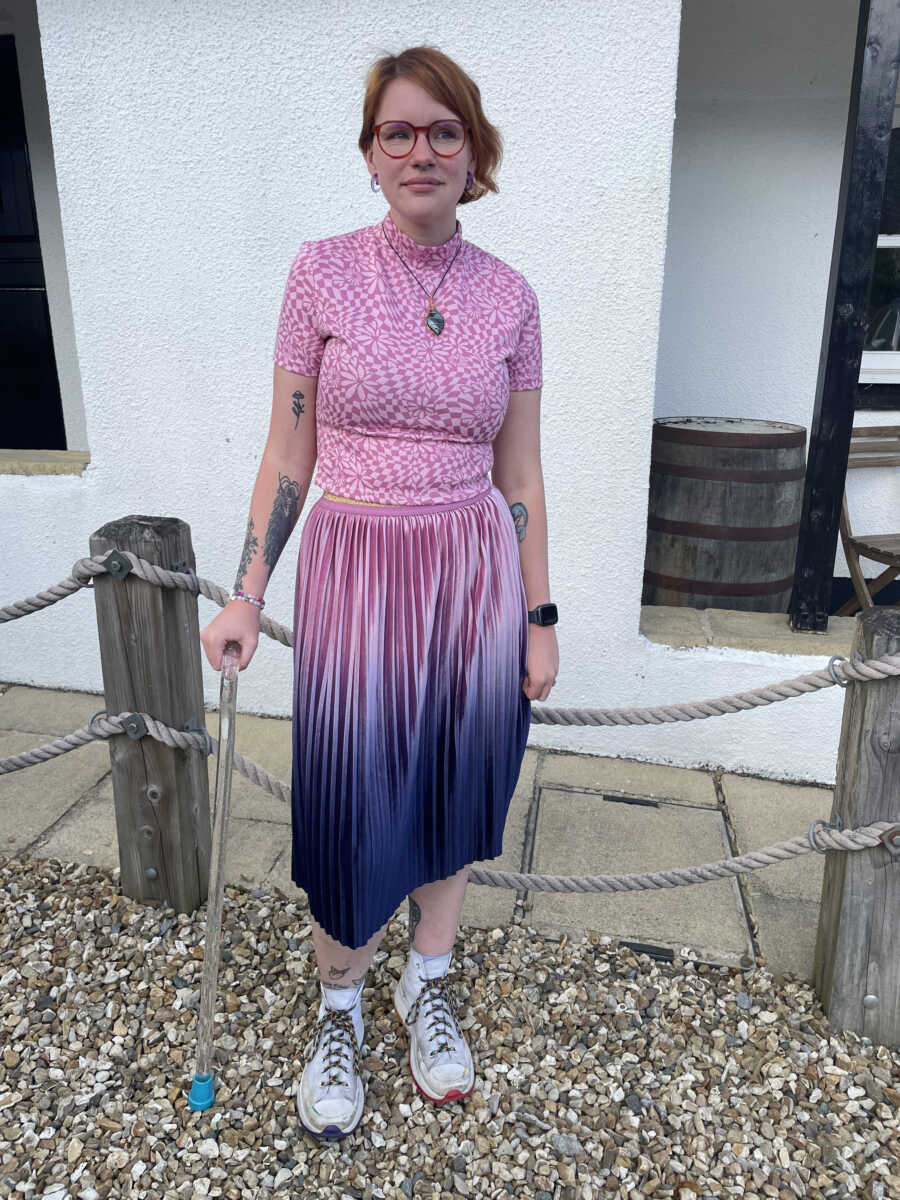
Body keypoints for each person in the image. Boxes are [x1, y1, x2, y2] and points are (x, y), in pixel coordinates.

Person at [200, 44, 558, 1140]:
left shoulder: (511, 298)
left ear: (474, 151)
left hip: (469, 576)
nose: (421, 151)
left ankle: (427, 983)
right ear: (369, 153)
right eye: (398, 131)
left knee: (455, 784)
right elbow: (287, 453)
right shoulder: (320, 271)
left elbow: (523, 473)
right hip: (357, 568)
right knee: (355, 798)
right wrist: (248, 591)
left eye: (443, 131)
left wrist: (540, 616)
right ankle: (343, 1006)